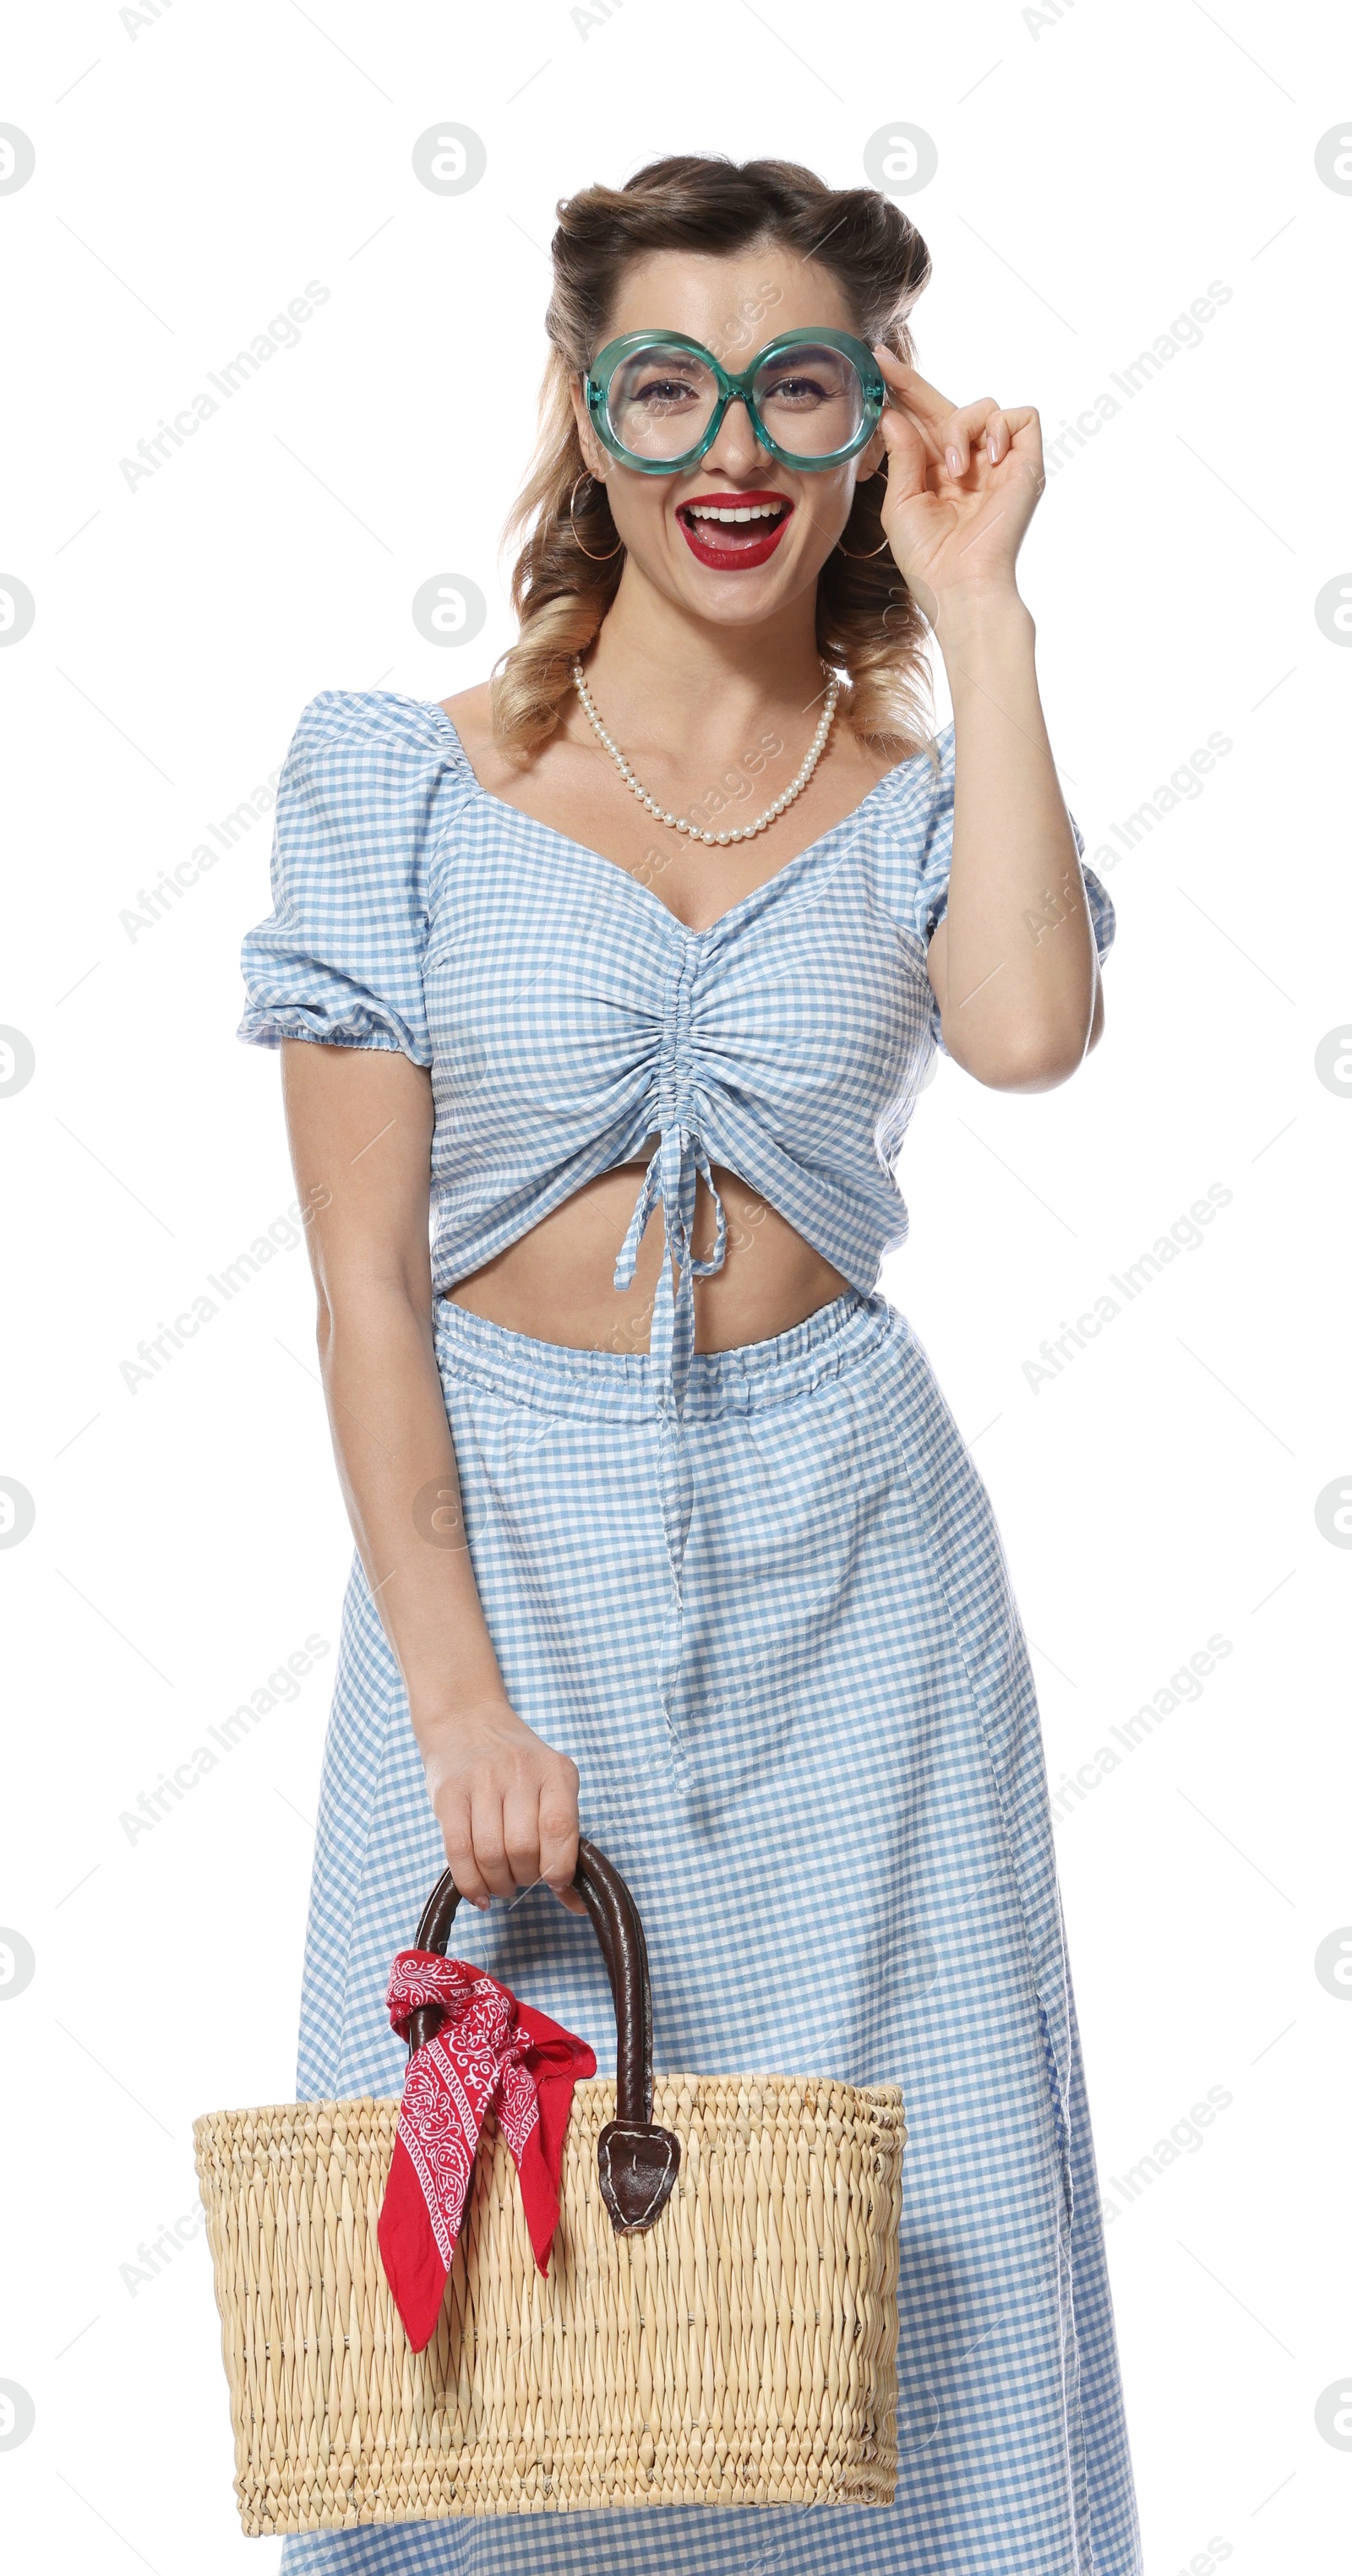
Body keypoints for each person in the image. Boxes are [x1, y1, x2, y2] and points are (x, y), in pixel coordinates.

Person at [238, 154, 1141, 2576]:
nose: (731, 446)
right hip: (501, 1554)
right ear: (588, 412)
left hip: (858, 1572)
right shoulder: (401, 783)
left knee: (916, 2216)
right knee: (468, 2262)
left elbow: (1034, 1030)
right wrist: (455, 1697)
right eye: (670, 381)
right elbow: (357, 1287)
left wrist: (982, 603)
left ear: (873, 428)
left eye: (799, 386)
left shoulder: (930, 802)